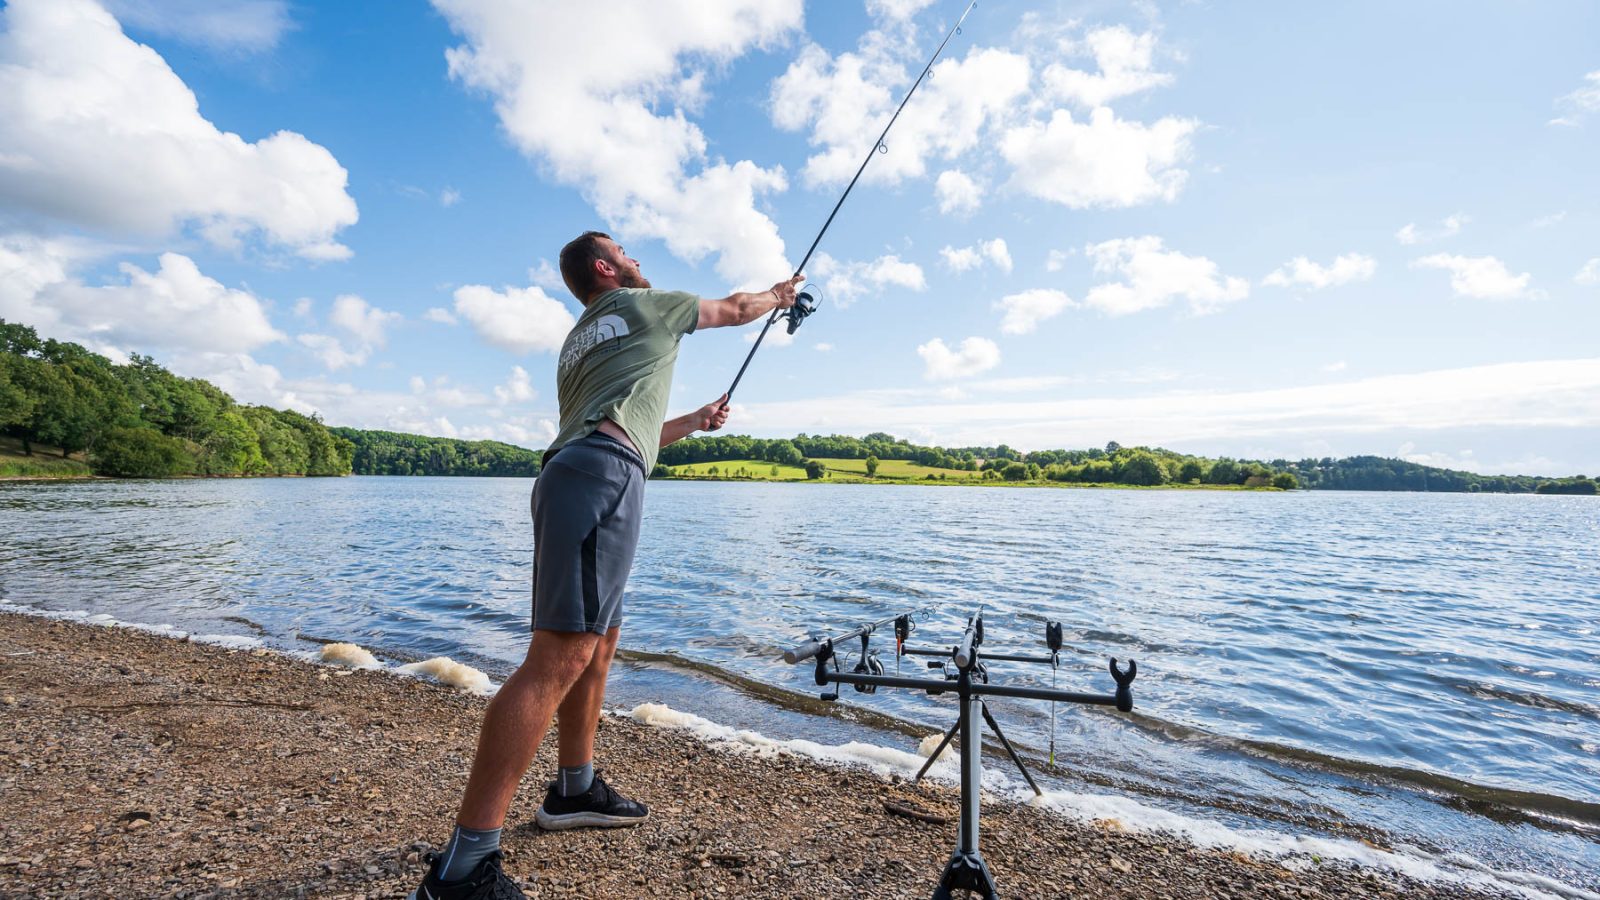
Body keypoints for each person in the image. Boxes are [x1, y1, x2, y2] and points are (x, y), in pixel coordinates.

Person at [410, 231, 801, 899]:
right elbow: (736, 308)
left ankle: (575, 788)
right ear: (605, 267)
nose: (639, 262)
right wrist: (779, 295)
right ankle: (464, 868)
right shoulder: (649, 307)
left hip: (579, 470)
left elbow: (620, 420)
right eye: (628, 254)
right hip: (602, 478)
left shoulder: (580, 341)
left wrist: (691, 421)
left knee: (598, 644)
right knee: (558, 657)